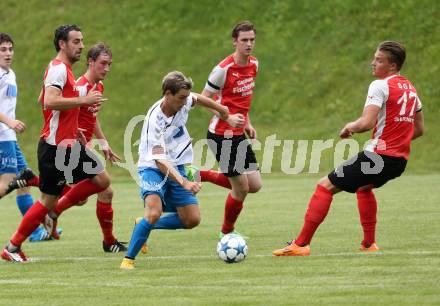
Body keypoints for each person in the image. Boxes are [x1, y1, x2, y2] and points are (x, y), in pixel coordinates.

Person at [273, 41, 424, 256]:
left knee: (324, 186)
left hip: (378, 157)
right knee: (364, 188)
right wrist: (398, 141)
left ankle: (301, 244)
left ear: (392, 66)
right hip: (398, 162)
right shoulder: (410, 89)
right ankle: (369, 244)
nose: (373, 63)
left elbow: (366, 123)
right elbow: (419, 129)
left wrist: (349, 127)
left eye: (379, 60)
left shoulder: (380, 85)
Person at [1, 24, 110, 262]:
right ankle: (12, 247)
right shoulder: (59, 69)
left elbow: (44, 97)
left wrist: (74, 121)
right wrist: (84, 100)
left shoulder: (62, 69)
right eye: (76, 41)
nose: (81, 45)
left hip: (68, 143)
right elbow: (49, 101)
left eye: (81, 41)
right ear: (62, 44)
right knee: (50, 200)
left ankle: (48, 205)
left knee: (100, 181)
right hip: (55, 147)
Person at [120, 71, 242, 269]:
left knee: (191, 219)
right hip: (152, 167)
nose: (185, 102)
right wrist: (184, 182)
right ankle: (128, 260)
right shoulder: (154, 120)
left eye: (186, 97)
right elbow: (159, 160)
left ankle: (142, 224)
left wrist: (223, 113)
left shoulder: (184, 100)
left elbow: (199, 99)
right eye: (181, 98)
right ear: (167, 94)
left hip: (177, 164)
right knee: (153, 211)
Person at [46, 42, 126, 252]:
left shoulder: (98, 86)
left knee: (94, 194)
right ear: (90, 62)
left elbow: (92, 118)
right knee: (104, 188)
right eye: (103, 64)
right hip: (71, 145)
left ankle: (108, 241)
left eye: (109, 64)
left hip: (84, 145)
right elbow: (61, 112)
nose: (106, 69)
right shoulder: (79, 87)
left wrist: (104, 143)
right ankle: (53, 210)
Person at [199, 21, 262, 238]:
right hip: (221, 136)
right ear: (235, 41)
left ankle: (203, 174)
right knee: (241, 188)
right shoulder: (223, 70)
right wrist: (226, 116)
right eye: (244, 40)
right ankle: (227, 232)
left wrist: (247, 123)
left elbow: (242, 100)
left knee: (254, 184)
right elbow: (202, 99)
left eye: (252, 40)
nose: (249, 44)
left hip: (238, 133)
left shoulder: (254, 64)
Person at [0, 32, 54, 242]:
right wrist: (10, 122)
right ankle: (35, 230)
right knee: (8, 184)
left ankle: (34, 231)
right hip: (2, 137)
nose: (8, 53)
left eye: (10, 49)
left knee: (24, 181)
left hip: (9, 137)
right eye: (3, 49)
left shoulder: (10, 74)